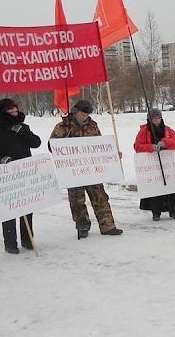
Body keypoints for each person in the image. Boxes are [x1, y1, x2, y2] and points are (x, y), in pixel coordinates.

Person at [50, 100, 123, 239]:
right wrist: (65, 143)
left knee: (100, 196)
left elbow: (100, 145)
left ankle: (107, 225)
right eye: (83, 114)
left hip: (92, 169)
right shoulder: (63, 126)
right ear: (75, 111)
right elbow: (51, 146)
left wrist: (112, 153)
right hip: (73, 170)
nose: (85, 117)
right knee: (77, 200)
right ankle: (82, 225)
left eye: (87, 114)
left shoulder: (93, 125)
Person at [0, 99, 41, 254]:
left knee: (27, 206)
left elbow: (36, 143)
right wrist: (0, 160)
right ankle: (10, 242)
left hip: (25, 173)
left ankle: (28, 239)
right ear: (3, 113)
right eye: (11, 112)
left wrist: (23, 132)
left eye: (16, 110)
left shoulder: (23, 127)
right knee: (8, 209)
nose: (15, 113)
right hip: (5, 175)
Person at [134, 108, 175, 221]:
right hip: (152, 164)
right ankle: (156, 213)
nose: (157, 120)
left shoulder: (167, 129)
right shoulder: (143, 131)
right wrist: (150, 147)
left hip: (167, 163)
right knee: (155, 190)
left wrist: (165, 142)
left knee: (171, 188)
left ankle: (173, 211)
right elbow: (137, 146)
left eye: (158, 118)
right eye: (154, 118)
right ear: (149, 119)